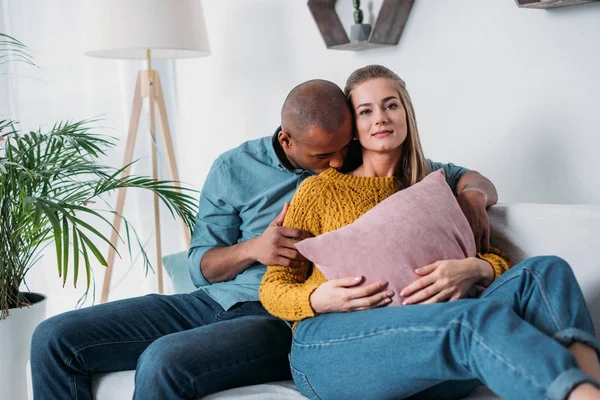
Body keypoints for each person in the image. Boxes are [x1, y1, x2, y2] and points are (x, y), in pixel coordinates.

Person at [30, 79, 498, 400]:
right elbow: (199, 265)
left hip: (277, 314)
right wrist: (254, 248)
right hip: (212, 299)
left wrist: (474, 199)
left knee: (164, 361)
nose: (336, 163)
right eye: (321, 154)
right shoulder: (235, 168)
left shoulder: (366, 161)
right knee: (53, 337)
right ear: (287, 140)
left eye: (342, 149)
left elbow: (457, 176)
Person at [259, 65, 600, 400]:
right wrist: (317, 299)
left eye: (390, 105)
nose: (380, 117)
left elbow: (487, 250)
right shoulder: (317, 193)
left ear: (407, 113)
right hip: (333, 347)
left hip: (428, 350)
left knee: (546, 272)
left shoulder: (432, 184)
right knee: (468, 319)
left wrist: (474, 269)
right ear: (351, 128)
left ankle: (591, 385)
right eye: (365, 111)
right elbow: (273, 287)